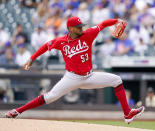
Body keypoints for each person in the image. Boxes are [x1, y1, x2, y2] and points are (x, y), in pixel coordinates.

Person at [5, 17, 145, 124]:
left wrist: (117, 20)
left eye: (81, 26)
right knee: (50, 97)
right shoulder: (61, 41)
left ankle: (127, 113)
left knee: (117, 80)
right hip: (71, 78)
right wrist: (32, 58)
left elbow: (102, 25)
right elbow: (45, 46)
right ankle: (17, 111)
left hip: (89, 77)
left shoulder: (88, 34)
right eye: (78, 27)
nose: (81, 29)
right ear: (71, 29)